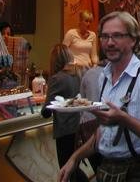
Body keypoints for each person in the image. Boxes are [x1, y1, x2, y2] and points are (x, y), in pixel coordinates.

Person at [58, 11, 140, 182]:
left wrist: (123, 119)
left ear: (133, 40)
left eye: (117, 36)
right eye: (105, 36)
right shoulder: (104, 77)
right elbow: (103, 134)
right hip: (108, 169)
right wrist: (75, 158)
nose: (109, 42)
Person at [42, 44, 88, 182]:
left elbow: (46, 111)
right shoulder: (78, 75)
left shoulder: (56, 79)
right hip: (79, 128)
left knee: (67, 169)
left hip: (64, 130)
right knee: (74, 168)